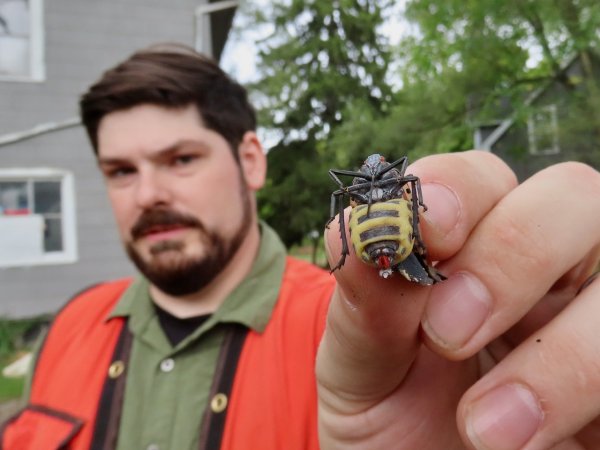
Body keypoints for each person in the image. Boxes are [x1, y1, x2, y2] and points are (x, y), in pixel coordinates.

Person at [2, 43, 600, 450]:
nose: (149, 194)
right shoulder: (68, 330)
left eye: (181, 159)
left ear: (251, 161)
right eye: (120, 171)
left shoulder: (372, 337)